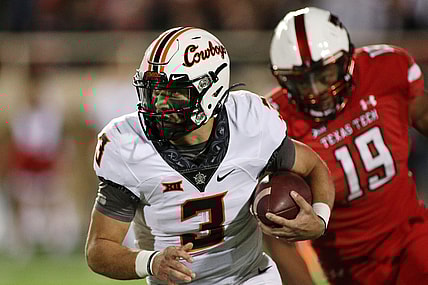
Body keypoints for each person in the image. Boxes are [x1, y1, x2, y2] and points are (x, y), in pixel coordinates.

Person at [85, 26, 335, 285]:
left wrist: (320, 218)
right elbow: (99, 249)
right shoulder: (129, 145)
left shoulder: (249, 123)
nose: (158, 104)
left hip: (250, 278)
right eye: (153, 91)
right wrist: (151, 262)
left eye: (173, 93)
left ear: (210, 90)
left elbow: (313, 166)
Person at [267, 7, 428, 285]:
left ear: (346, 60)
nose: (316, 90)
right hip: (347, 267)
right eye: (301, 81)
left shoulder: (386, 70)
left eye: (324, 74)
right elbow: (278, 238)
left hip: (411, 236)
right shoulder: (273, 123)